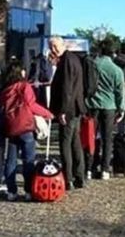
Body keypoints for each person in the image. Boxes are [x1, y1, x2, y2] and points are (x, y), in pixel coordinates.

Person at [0, 63, 53, 201]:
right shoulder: (24, 86)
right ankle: (29, 190)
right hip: (26, 127)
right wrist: (47, 114)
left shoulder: (5, 90)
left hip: (11, 128)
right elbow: (31, 105)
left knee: (10, 160)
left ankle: (12, 191)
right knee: (28, 160)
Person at [48, 36, 87, 190]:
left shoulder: (67, 61)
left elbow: (67, 88)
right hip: (75, 107)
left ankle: (69, 177)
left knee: (66, 144)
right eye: (51, 47)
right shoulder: (72, 59)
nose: (53, 49)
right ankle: (79, 176)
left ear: (63, 45)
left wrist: (63, 111)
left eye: (55, 46)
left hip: (69, 109)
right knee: (75, 143)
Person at [85, 40, 125, 180]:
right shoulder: (116, 70)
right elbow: (120, 92)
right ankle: (105, 169)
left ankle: (90, 167)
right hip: (109, 106)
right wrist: (121, 109)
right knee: (107, 139)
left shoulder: (92, 65)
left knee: (91, 137)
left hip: (92, 105)